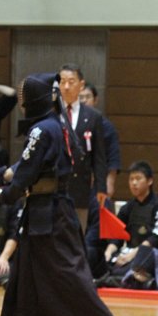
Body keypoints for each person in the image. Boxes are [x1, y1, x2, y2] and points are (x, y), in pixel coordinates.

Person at [0, 72, 114, 316]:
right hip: (43, 209)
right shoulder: (53, 125)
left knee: (66, 268)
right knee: (25, 268)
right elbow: (23, 166)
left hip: (52, 211)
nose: (21, 103)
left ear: (34, 99)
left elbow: (25, 173)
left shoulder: (42, 129)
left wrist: (4, 195)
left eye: (24, 97)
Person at [96, 160, 158, 289]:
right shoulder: (127, 208)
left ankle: (122, 278)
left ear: (149, 181)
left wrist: (132, 255)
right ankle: (121, 278)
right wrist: (108, 252)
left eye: (138, 179)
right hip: (129, 252)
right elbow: (117, 236)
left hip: (150, 254)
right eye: (131, 179)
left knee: (140, 259)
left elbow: (157, 236)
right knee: (99, 257)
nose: (134, 183)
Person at [58, 64, 108, 233]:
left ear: (81, 85)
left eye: (71, 81)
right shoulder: (51, 113)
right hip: (55, 185)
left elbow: (99, 156)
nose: (66, 86)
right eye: (62, 81)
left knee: (77, 234)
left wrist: (101, 187)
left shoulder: (93, 116)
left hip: (81, 187)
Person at [79, 81, 121, 201]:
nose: (84, 101)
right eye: (80, 97)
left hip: (99, 181)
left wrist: (110, 182)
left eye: (87, 97)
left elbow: (113, 157)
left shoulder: (106, 126)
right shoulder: (72, 123)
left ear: (95, 100)